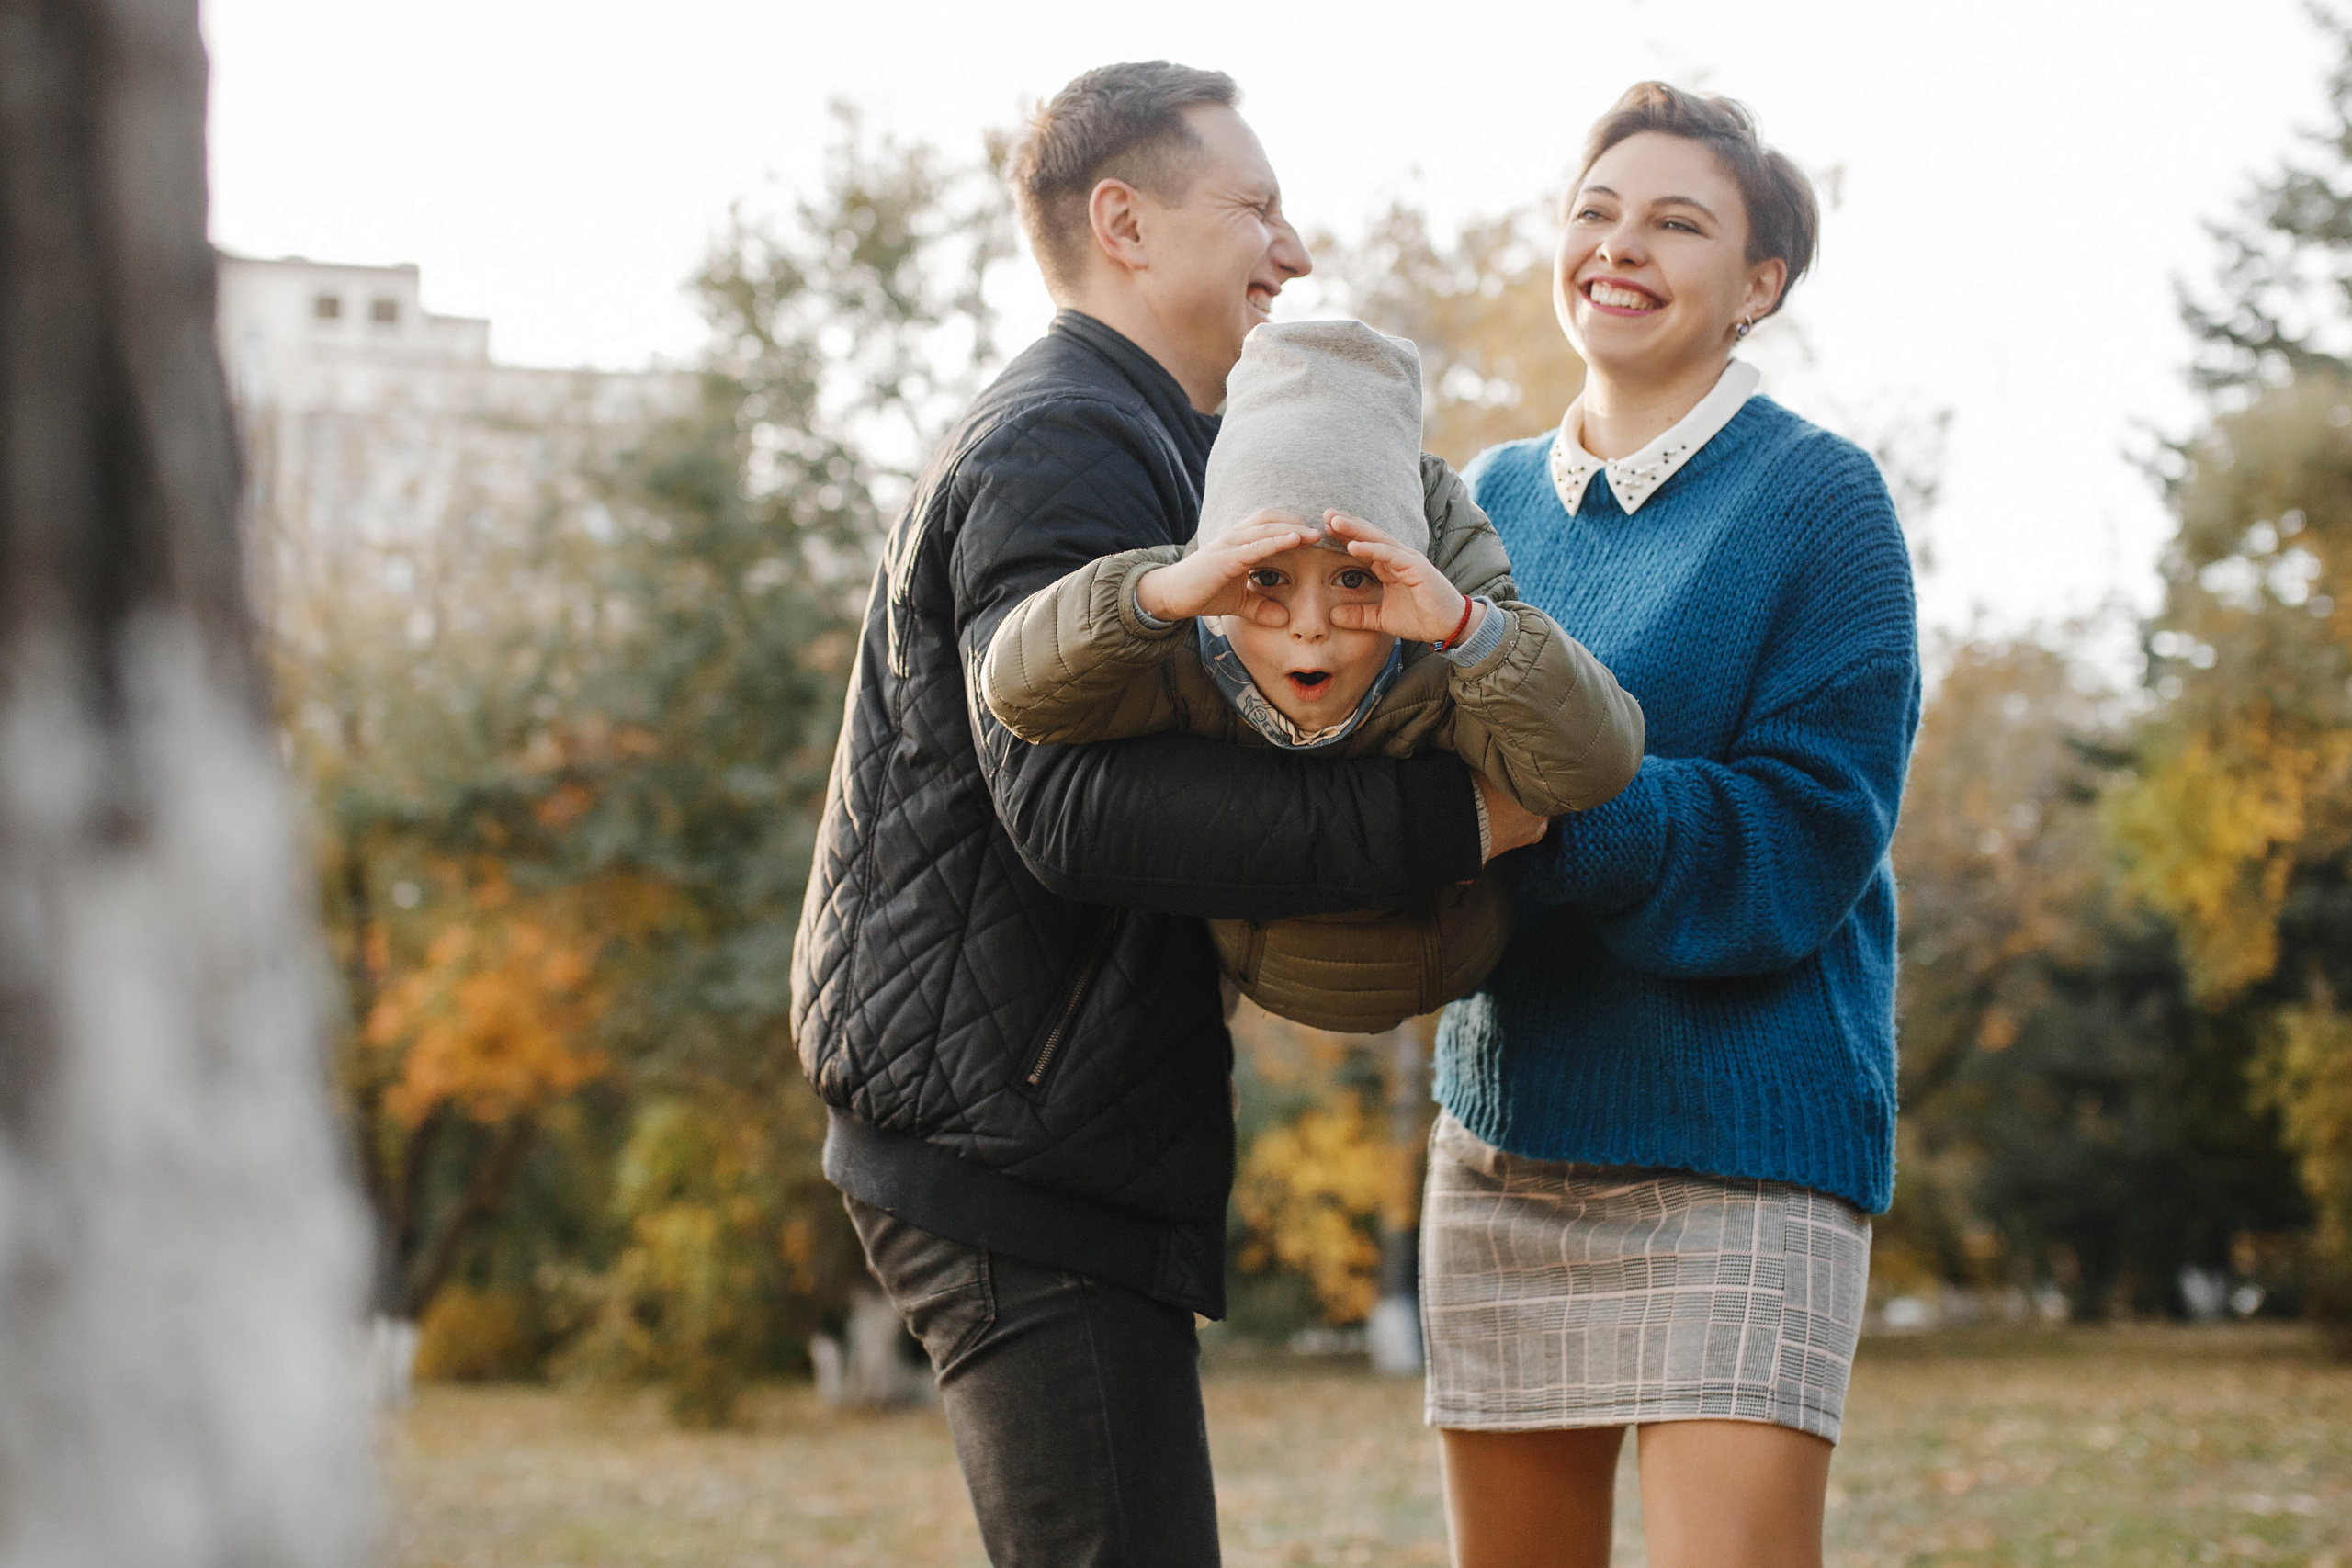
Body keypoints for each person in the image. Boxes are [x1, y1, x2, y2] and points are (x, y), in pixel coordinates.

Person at [787, 62, 1545, 1567]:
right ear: (1123, 223)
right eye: (1257, 207)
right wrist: (1452, 823)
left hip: (1038, 1133)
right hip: (1012, 1145)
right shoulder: (1062, 438)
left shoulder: (1135, 439)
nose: (1296, 248)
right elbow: (1068, 809)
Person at [1418, 83, 1921, 1568]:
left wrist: (1545, 818)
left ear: (1760, 283)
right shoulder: (1487, 498)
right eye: (1596, 213)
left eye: (1677, 223)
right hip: (1508, 1142)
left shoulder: (1823, 502)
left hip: (1747, 1150)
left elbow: (1806, 830)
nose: (1619, 248)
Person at [977, 316, 1644, 1034]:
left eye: (1353, 576)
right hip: (1262, 972)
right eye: (1268, 577)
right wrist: (1153, 595)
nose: (1309, 622)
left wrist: (1467, 630)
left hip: (1461, 956)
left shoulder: (1447, 664)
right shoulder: (1186, 654)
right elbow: (1017, 693)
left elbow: (1595, 766)